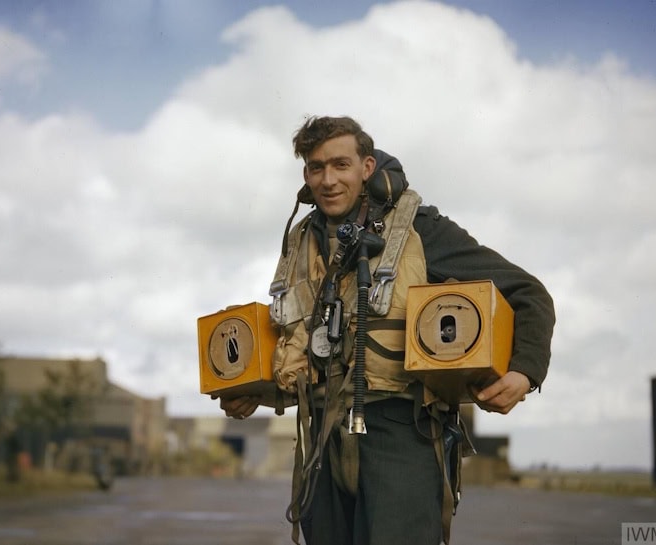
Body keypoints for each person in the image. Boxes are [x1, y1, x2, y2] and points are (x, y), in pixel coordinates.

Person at [217, 116, 555, 545]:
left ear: (367, 167)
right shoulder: (301, 240)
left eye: (341, 164)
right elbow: (305, 346)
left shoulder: (418, 229)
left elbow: (529, 293)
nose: (328, 179)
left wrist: (524, 371)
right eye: (317, 167)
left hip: (400, 432)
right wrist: (257, 392)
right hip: (321, 439)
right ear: (306, 174)